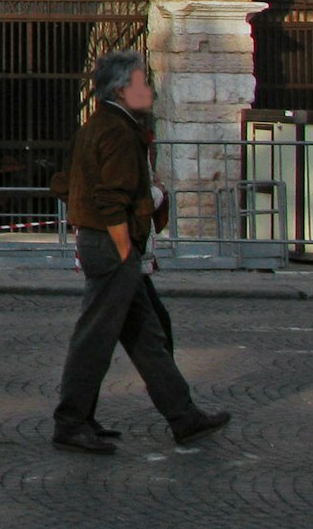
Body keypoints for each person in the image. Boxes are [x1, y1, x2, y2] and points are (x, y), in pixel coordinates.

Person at [47, 50, 229, 456]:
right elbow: (110, 199)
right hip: (113, 246)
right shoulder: (114, 131)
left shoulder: (107, 126)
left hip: (109, 246)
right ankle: (71, 423)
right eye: (142, 82)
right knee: (95, 339)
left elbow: (66, 182)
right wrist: (126, 250)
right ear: (121, 90)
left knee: (149, 334)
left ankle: (184, 418)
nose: (149, 89)